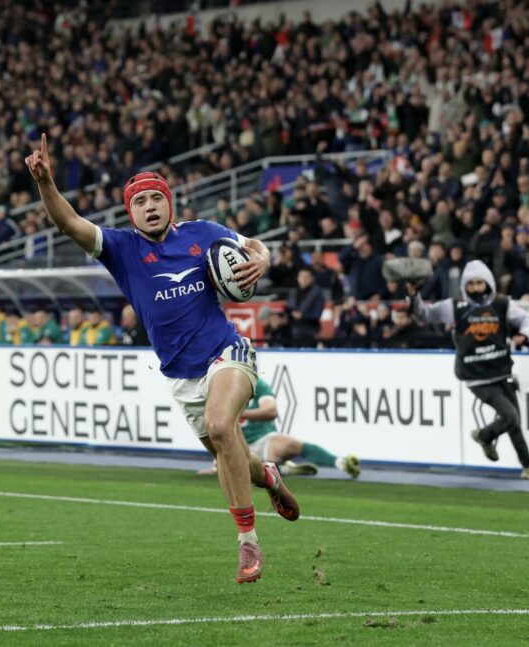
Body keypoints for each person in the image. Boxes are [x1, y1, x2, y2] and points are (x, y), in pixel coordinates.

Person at [26, 134, 298, 584]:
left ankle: (247, 542)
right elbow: (68, 222)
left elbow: (253, 244)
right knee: (231, 450)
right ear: (130, 212)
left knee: (220, 426)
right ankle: (267, 477)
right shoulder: (121, 249)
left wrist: (263, 260)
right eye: (140, 202)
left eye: (157, 198)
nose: (150, 206)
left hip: (227, 352)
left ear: (169, 203)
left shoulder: (203, 234)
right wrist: (45, 183)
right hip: (181, 377)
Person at [409, 260, 529, 479]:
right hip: (476, 376)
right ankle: (485, 436)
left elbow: (527, 319)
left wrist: (525, 334)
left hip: (501, 369)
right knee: (511, 417)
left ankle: (528, 465)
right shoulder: (454, 306)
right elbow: (424, 315)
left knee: (514, 421)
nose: (475, 288)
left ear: (488, 283)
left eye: (479, 283)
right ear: (464, 285)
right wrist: (414, 296)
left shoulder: (502, 303)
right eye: (470, 284)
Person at [199, 376, 361, 478]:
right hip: (235, 443)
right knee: (239, 470)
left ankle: (340, 462)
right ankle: (280, 468)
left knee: (291, 444)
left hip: (262, 440)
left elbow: (271, 411)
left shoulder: (257, 384)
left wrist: (241, 412)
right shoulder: (218, 387)